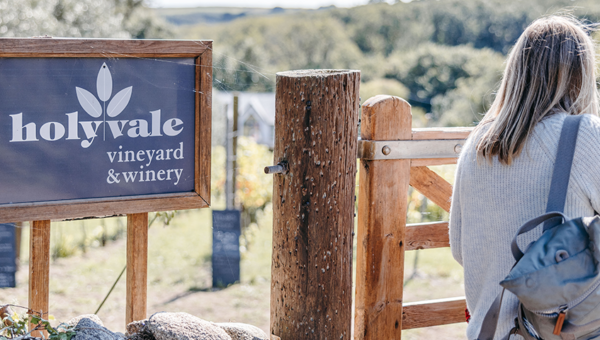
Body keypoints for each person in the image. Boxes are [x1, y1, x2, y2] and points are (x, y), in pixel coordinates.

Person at [449, 15, 600, 339]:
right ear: (580, 75)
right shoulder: (584, 134)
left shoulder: (477, 144)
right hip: (562, 331)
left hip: (488, 331)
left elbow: (460, 249)